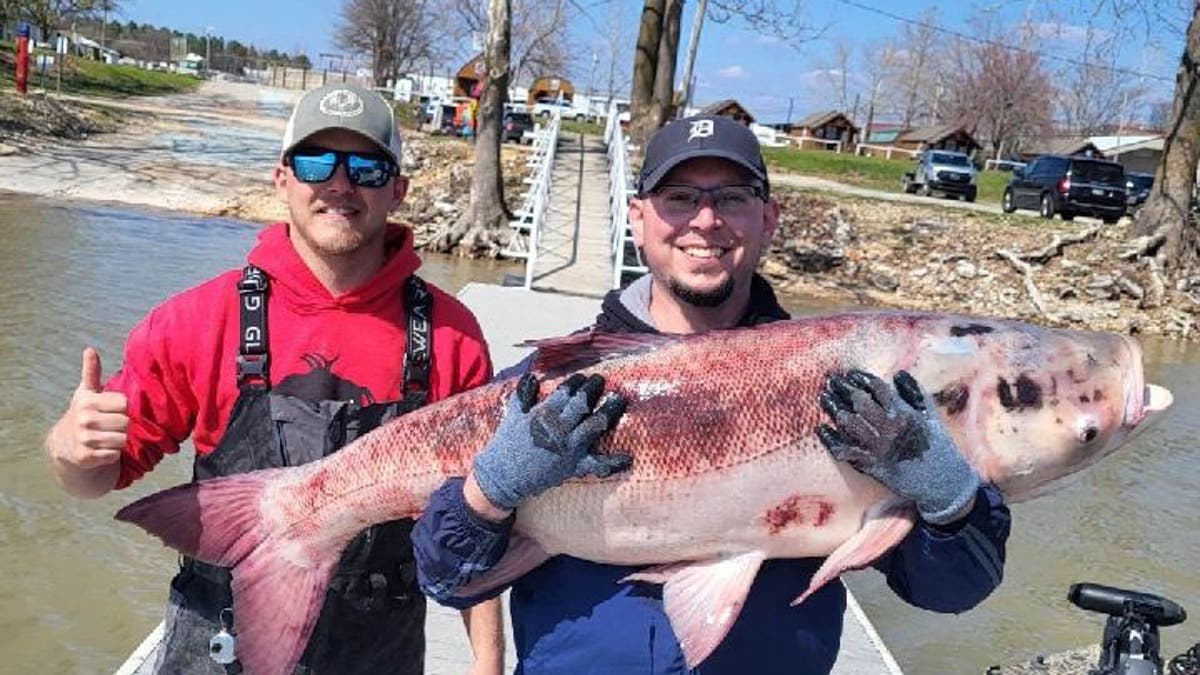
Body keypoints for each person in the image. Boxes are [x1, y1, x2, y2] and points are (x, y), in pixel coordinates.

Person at [411, 114, 1013, 674]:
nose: (705, 221)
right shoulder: (549, 390)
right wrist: (490, 492)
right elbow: (445, 574)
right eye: (679, 198)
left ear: (768, 219)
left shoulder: (856, 390)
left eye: (731, 198)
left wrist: (948, 499)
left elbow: (956, 590)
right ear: (636, 217)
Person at [44, 82, 505, 675]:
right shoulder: (197, 320)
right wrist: (68, 450)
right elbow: (94, 480)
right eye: (317, 162)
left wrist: (487, 663)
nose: (340, 184)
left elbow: (479, 512)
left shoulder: (452, 335)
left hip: (379, 646)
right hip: (221, 640)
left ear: (397, 189)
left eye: (366, 167)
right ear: (283, 178)